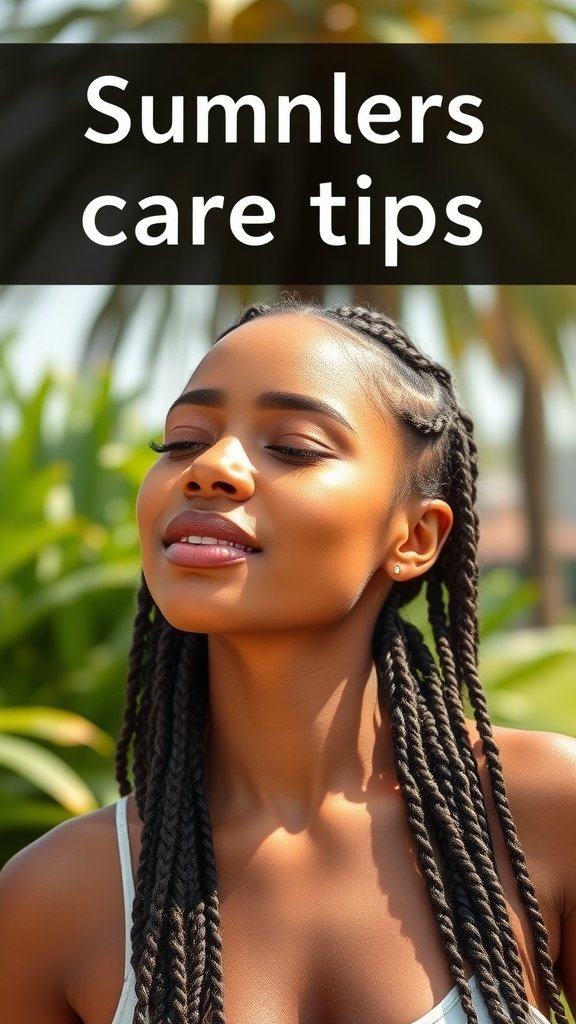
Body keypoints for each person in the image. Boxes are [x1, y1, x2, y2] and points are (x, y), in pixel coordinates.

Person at [0, 299, 574, 1024]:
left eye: (295, 447)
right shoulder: (56, 897)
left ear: (415, 538)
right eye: (180, 441)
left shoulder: (540, 813)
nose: (211, 469)